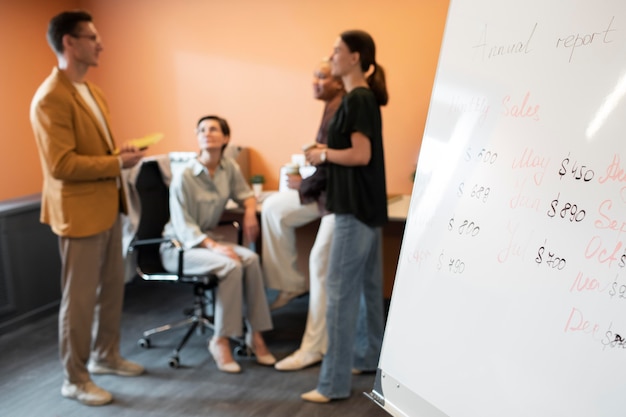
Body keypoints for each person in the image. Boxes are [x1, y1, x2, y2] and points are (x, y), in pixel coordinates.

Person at [30, 10, 146, 407]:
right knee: (77, 302)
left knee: (112, 289)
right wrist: (116, 164)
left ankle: (105, 357)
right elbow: (62, 165)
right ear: (69, 43)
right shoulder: (50, 98)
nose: (101, 44)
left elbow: (93, 153)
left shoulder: (93, 92)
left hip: (106, 206)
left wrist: (119, 154)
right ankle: (75, 379)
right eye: (92, 37)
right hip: (78, 215)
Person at [301, 29, 389, 403]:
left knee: (339, 293)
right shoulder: (360, 99)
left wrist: (322, 155)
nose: (331, 55)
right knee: (368, 291)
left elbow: (360, 155)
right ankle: (369, 358)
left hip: (354, 209)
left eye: (337, 50)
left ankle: (333, 384)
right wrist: (325, 148)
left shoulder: (358, 99)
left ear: (355, 57)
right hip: (363, 208)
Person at [160, 115, 275, 374]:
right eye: (202, 129)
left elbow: (245, 195)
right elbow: (184, 226)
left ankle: (255, 335)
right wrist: (213, 247)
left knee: (252, 259)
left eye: (213, 129)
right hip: (179, 247)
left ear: (225, 138)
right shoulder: (184, 175)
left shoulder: (228, 167)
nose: (207, 133)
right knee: (231, 265)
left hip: (207, 242)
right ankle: (220, 340)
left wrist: (248, 212)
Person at [262, 59, 344, 371]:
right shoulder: (330, 109)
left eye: (322, 76)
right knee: (272, 209)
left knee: (319, 263)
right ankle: (289, 283)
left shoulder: (345, 108)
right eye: (315, 75)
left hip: (338, 198)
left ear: (338, 81)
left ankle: (313, 347)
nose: (315, 81)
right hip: (323, 192)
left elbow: (335, 165)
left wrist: (303, 184)